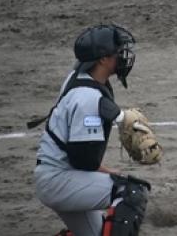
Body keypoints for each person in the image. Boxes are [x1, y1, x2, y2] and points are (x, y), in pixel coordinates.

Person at [30, 24, 151, 236]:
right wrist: (107, 171)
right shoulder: (87, 98)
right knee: (132, 192)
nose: (122, 56)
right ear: (103, 60)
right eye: (117, 52)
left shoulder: (80, 77)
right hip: (59, 180)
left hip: (61, 176)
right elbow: (82, 158)